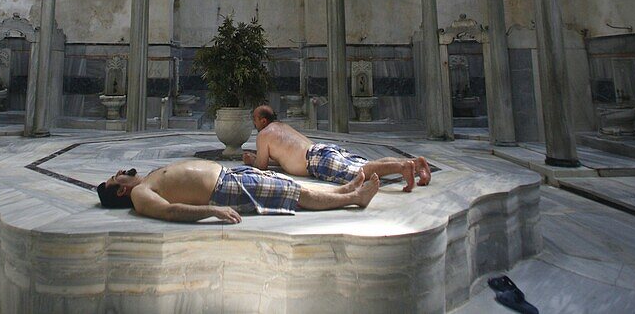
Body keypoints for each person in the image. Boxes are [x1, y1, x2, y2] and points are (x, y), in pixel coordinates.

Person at [96, 159, 379, 223]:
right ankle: (355, 198)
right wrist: (212, 211)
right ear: (120, 192)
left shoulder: (145, 179)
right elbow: (169, 211)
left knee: (289, 186)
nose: (119, 172)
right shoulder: (139, 194)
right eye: (114, 178)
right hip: (225, 191)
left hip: (230, 176)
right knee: (295, 196)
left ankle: (344, 190)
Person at [241, 105, 431, 191]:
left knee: (362, 172)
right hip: (323, 151)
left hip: (316, 160)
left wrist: (252, 161)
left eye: (255, 120)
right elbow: (283, 156)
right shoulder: (283, 127)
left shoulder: (264, 134)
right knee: (368, 164)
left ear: (263, 120)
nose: (254, 123)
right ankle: (416, 164)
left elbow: (262, 166)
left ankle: (402, 167)